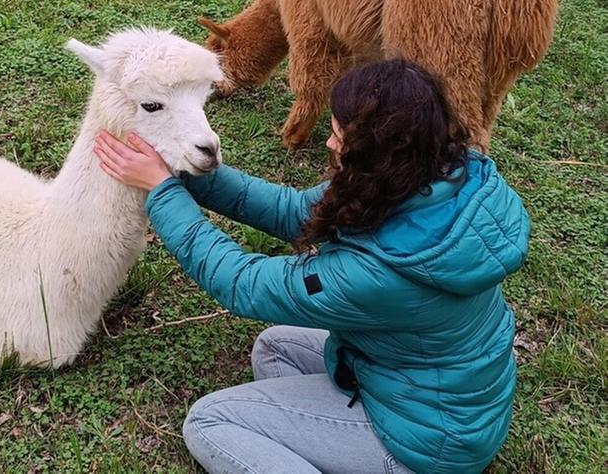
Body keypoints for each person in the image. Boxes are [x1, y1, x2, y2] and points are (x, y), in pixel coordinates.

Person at [94, 59, 530, 474]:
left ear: (376, 150)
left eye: (340, 135)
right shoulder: (428, 178)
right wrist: (183, 164)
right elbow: (292, 210)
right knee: (275, 347)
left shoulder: (377, 275)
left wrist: (162, 192)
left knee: (211, 422)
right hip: (433, 394)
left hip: (429, 447)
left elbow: (241, 283)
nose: (330, 142)